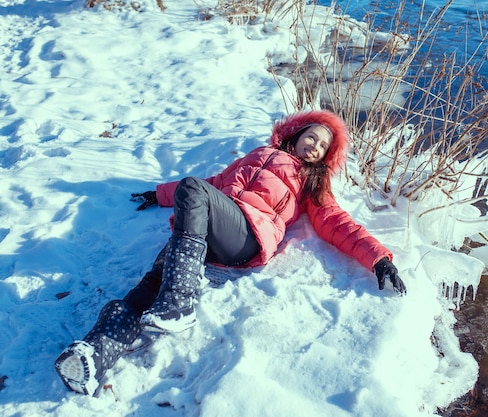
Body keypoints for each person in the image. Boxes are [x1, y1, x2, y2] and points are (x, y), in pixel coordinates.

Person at [54, 110, 406, 396]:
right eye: (311, 136)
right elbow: (213, 184)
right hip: (201, 236)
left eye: (323, 146)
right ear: (296, 135)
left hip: (246, 236)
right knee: (148, 286)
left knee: (192, 193)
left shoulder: (310, 181)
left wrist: (379, 258)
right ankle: (93, 353)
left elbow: (335, 221)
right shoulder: (256, 155)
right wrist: (159, 194)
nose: (315, 146)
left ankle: (179, 304)